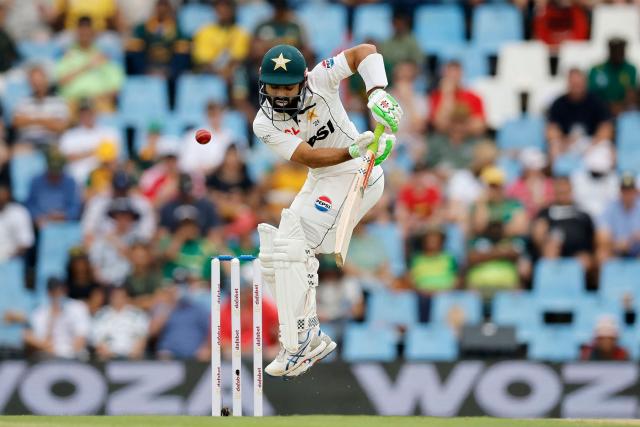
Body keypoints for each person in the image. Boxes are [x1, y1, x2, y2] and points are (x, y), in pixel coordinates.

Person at [252, 42, 402, 376]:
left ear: (303, 80)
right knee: (273, 256)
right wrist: (352, 149)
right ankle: (306, 335)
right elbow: (306, 156)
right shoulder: (263, 124)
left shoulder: (321, 79)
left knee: (294, 247)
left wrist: (377, 91)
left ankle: (302, 341)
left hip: (356, 176)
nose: (279, 94)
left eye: (286, 86)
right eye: (273, 87)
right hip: (326, 174)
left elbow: (364, 50)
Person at [54, 16, 124, 112]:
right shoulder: (67, 54)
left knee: (107, 112)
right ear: (77, 33)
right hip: (73, 102)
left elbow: (116, 87)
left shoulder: (103, 55)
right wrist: (87, 67)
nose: (85, 36)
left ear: (93, 33)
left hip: (98, 101)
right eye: (82, 33)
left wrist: (100, 98)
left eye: (88, 33)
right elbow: (60, 82)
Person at [546, 68, 613, 162]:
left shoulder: (597, 101)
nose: (576, 87)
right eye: (573, 84)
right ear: (568, 83)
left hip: (592, 142)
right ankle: (561, 175)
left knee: (605, 152)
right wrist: (564, 142)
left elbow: (606, 128)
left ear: (585, 83)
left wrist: (592, 144)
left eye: (579, 83)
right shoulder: (558, 103)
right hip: (567, 143)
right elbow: (551, 130)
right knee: (554, 149)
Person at [533, 176, 595, 271]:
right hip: (552, 251)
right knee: (550, 250)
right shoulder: (545, 213)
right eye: (559, 190)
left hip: (578, 255)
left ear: (571, 189)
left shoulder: (583, 214)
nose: (562, 193)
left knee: (584, 260)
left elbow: (591, 240)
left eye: (565, 190)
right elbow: (538, 236)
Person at [58, 99, 122, 185]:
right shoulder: (70, 135)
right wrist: (94, 152)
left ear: (95, 113)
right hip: (77, 179)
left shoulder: (109, 133)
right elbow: (65, 158)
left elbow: (113, 159)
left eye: (90, 112)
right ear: (78, 115)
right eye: (84, 113)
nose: (87, 116)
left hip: (102, 179)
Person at [23, 277, 91, 359]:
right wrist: (52, 317)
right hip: (48, 358)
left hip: (74, 358)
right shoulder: (39, 313)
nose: (58, 294)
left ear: (65, 290)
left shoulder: (78, 307)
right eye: (54, 291)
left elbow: (81, 340)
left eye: (60, 290)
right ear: (49, 293)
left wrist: (62, 354)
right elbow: (30, 337)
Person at [126, 0, 190, 78]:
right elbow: (135, 50)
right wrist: (147, 70)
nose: (162, 11)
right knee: (135, 51)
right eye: (159, 7)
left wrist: (169, 70)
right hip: (148, 66)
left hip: (169, 67)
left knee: (182, 53)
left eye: (165, 8)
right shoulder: (143, 28)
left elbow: (182, 52)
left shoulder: (177, 29)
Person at [13, 65, 71, 148]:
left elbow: (61, 127)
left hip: (51, 144)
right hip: (27, 144)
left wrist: (31, 120)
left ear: (45, 79)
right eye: (33, 80)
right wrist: (46, 121)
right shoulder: (23, 101)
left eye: (39, 80)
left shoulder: (59, 101)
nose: (36, 83)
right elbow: (16, 122)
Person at [89, 197, 142, 286]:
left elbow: (140, 263)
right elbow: (94, 264)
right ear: (114, 218)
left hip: (129, 284)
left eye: (127, 217)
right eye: (120, 216)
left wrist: (120, 246)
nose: (124, 220)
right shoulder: (102, 240)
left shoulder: (137, 240)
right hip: (105, 284)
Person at [25, 147, 82, 231]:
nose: (54, 175)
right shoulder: (36, 181)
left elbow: (75, 207)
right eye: (52, 171)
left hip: (64, 224)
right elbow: (29, 204)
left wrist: (64, 216)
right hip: (40, 223)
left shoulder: (70, 182)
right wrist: (37, 217)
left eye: (57, 171)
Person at [191, 0, 249, 80]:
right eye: (219, 6)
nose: (223, 10)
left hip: (232, 75)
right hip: (208, 74)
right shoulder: (204, 31)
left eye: (227, 6)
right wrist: (219, 74)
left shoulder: (240, 32)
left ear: (233, 9)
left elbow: (238, 58)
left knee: (240, 74)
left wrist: (226, 72)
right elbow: (203, 61)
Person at [429, 60, 486, 137]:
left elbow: (479, 126)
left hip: (468, 139)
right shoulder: (436, 96)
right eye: (450, 73)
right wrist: (447, 95)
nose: (453, 77)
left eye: (456, 73)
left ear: (461, 73)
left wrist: (454, 126)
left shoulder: (474, 97)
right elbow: (439, 125)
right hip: (445, 139)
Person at [91, 287, 149, 360]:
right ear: (110, 298)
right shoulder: (101, 315)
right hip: (108, 359)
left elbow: (142, 338)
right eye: (115, 296)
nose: (118, 299)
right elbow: (97, 340)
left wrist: (131, 357)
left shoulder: (138, 314)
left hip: (133, 359)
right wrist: (110, 356)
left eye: (121, 296)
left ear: (127, 298)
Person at [596, 173, 640, 262]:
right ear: (620, 191)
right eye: (624, 191)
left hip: (637, 250)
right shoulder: (610, 208)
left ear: (635, 191)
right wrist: (617, 244)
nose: (627, 194)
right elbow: (602, 235)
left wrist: (632, 240)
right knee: (601, 255)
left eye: (630, 191)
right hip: (615, 250)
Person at [589, 38, 637, 116]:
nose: (617, 53)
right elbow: (591, 94)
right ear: (609, 50)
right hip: (600, 111)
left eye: (620, 50)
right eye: (614, 50)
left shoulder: (631, 69)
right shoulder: (597, 70)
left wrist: (620, 106)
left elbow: (631, 94)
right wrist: (608, 106)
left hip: (624, 111)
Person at [571, 143, 619, 219]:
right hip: (583, 219)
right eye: (594, 173)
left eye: (600, 173)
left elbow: (613, 204)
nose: (598, 175)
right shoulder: (577, 178)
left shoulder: (613, 179)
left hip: (606, 221)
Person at [506, 147, 554, 219]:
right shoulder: (515, 186)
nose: (539, 170)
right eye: (535, 167)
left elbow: (551, 203)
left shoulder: (549, 183)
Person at [379, 8, 424, 74]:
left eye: (400, 23)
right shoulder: (386, 42)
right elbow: (382, 61)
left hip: (407, 74)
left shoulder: (413, 41)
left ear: (405, 24)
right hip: (389, 75)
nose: (398, 26)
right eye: (396, 23)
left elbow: (418, 63)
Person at [0, 183, 34, 262]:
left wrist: (8, 257)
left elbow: (26, 243)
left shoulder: (19, 212)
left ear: (8, 196)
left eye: (2, 198)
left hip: (11, 260)